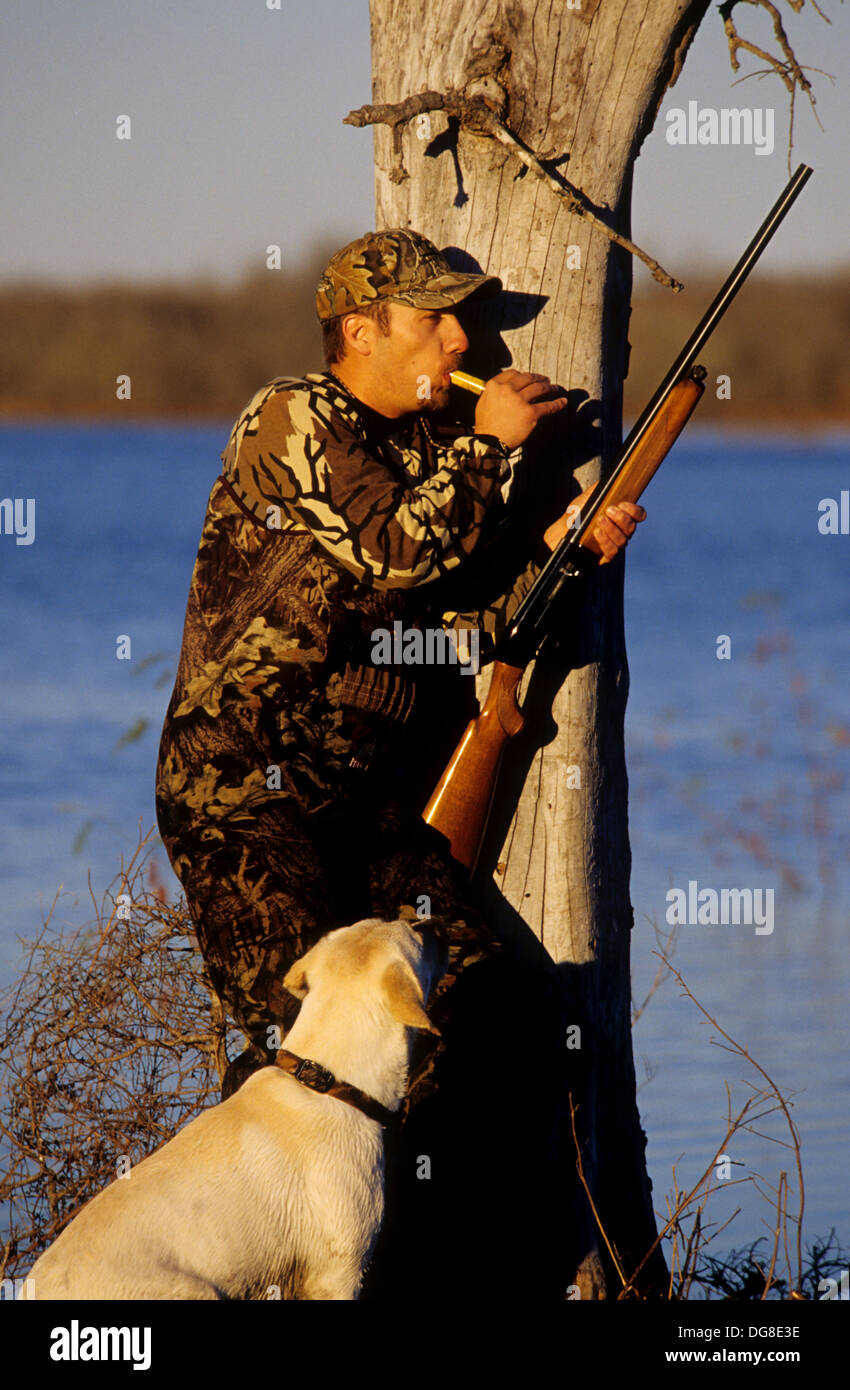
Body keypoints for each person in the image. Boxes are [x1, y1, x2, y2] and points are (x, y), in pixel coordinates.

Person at [155, 228, 644, 1292]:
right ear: (359, 331)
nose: (460, 338)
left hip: (364, 807)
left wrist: (564, 547)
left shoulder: (429, 457)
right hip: (242, 789)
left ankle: (484, 1273)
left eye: (463, 318)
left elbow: (460, 615)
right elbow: (397, 550)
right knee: (310, 1049)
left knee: (496, 1015)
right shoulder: (292, 415)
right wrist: (494, 440)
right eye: (434, 318)